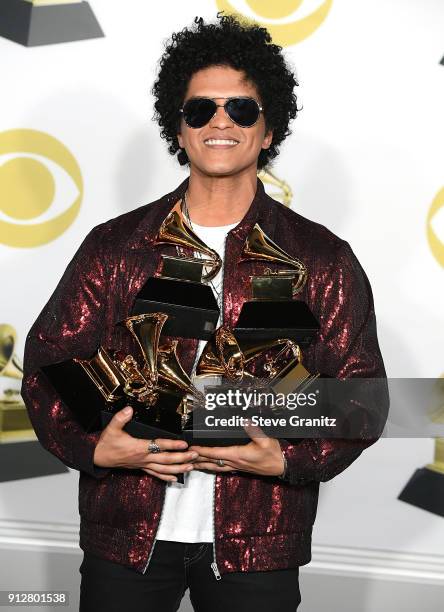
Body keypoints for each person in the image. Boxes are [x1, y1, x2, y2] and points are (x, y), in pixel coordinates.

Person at [22, 14, 388, 612]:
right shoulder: (116, 246)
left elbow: (363, 395)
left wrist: (291, 457)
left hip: (258, 544)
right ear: (180, 126)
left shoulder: (323, 259)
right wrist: (91, 447)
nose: (221, 122)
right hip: (126, 537)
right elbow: (49, 361)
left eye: (242, 109)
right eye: (201, 110)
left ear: (269, 129)